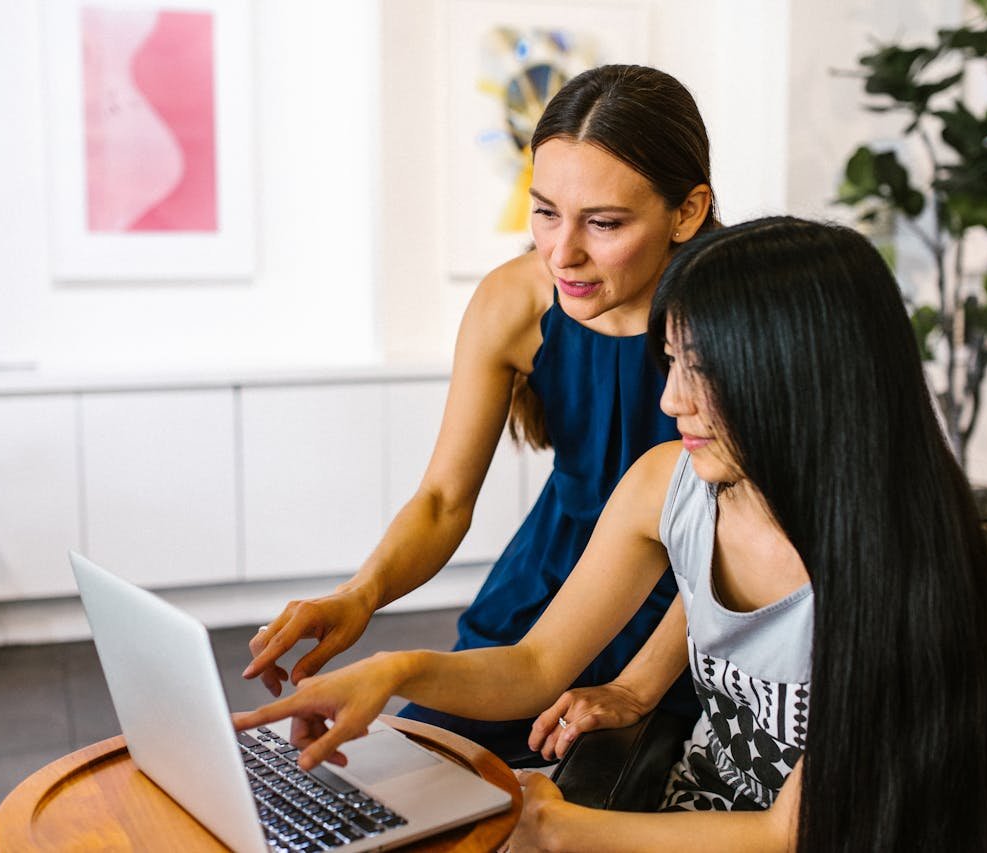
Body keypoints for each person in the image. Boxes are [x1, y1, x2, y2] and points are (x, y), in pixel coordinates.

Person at [234, 217, 987, 851]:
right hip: (694, 810)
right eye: (670, 362)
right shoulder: (668, 484)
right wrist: (393, 669)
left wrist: (561, 824)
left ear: (793, 377)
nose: (672, 398)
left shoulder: (896, 560)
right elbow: (535, 663)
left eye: (702, 370)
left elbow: (792, 831)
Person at [241, 64, 718, 765]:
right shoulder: (514, 302)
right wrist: (362, 593)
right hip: (546, 590)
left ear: (687, 210)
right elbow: (441, 499)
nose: (562, 252)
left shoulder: (738, 323)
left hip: (689, 613)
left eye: (605, 223)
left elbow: (749, 541)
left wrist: (638, 684)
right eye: (546, 210)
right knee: (414, 779)